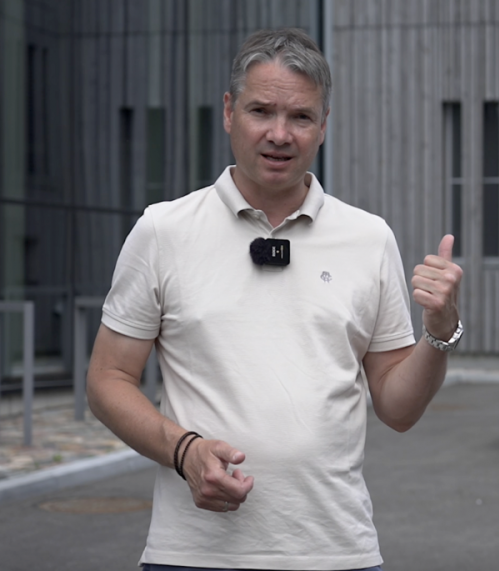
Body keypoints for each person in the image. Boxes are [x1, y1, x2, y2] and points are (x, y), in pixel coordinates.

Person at [87, 28, 463, 571]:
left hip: (337, 553)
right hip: (193, 555)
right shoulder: (163, 231)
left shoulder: (369, 238)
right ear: (228, 112)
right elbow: (107, 380)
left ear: (324, 126)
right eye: (261, 111)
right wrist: (184, 451)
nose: (280, 134)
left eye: (301, 117)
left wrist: (439, 330)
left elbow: (398, 409)